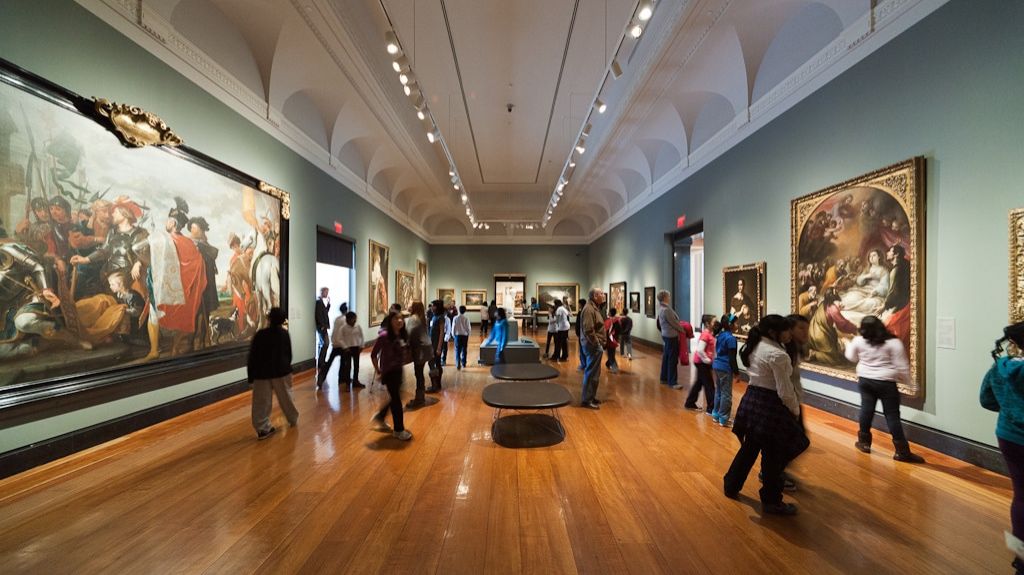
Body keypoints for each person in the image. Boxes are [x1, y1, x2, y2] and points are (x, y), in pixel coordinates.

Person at [723, 315, 808, 515]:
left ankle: (731, 484)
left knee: (749, 448)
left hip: (752, 400)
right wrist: (794, 410)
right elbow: (785, 391)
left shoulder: (757, 344)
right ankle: (771, 501)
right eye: (787, 330)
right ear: (774, 332)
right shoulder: (778, 354)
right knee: (773, 456)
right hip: (770, 406)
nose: (790, 333)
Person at [845, 315, 924, 463]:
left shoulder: (858, 341)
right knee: (892, 415)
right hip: (886, 383)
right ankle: (902, 451)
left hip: (865, 380)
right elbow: (902, 367)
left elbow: (851, 357)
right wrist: (911, 386)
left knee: (866, 410)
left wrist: (847, 344)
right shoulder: (893, 343)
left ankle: (864, 443)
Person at [981, 321, 1024, 575]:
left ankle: (1021, 559)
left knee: (1021, 495)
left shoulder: (1000, 369)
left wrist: (1010, 410)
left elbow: (986, 399)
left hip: (1008, 436)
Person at [247, 307, 298, 440]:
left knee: (261, 402)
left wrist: (251, 376)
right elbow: (289, 354)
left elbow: (252, 356)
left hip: (261, 373)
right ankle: (292, 418)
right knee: (286, 397)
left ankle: (263, 429)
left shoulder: (260, 334)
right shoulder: (284, 334)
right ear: (283, 320)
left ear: (269, 319)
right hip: (281, 371)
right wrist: (287, 367)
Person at [370, 311, 413, 441]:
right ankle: (398, 430)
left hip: (398, 370)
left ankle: (381, 416)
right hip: (388, 372)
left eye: (401, 318)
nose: (399, 320)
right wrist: (378, 370)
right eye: (396, 318)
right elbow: (373, 354)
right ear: (390, 321)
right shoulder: (384, 336)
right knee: (396, 400)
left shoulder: (401, 335)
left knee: (395, 397)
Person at [579, 288, 607, 409]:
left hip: (594, 345)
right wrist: (597, 344)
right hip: (592, 346)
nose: (603, 295)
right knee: (591, 373)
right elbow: (588, 330)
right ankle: (587, 400)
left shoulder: (594, 307)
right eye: (601, 293)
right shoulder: (589, 309)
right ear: (595, 296)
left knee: (595, 373)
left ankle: (591, 396)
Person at [685, 314, 718, 413]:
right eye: (714, 322)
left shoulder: (709, 334)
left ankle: (690, 402)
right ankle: (711, 408)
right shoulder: (705, 335)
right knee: (709, 385)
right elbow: (700, 350)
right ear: (708, 324)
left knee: (699, 383)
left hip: (702, 362)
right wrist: (707, 360)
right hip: (702, 363)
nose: (715, 324)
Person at [712, 314, 740, 427]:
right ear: (730, 325)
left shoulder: (721, 335)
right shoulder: (731, 339)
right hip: (725, 368)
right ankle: (723, 419)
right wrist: (737, 373)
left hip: (717, 366)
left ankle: (716, 414)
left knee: (719, 391)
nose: (738, 325)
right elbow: (732, 359)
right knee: (726, 394)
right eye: (736, 323)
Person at [657, 290, 686, 388]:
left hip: (666, 335)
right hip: (671, 336)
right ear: (665, 297)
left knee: (666, 357)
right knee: (672, 359)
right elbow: (674, 323)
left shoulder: (661, 308)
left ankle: (664, 378)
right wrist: (684, 330)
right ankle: (672, 382)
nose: (669, 298)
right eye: (668, 296)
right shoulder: (666, 310)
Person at [405, 302, 431, 408]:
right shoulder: (420, 318)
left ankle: (419, 399)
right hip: (425, 349)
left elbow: (410, 335)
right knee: (419, 374)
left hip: (420, 350)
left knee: (418, 374)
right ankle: (420, 396)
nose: (408, 306)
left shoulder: (413, 319)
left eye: (411, 304)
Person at [335, 311, 365, 390]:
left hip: (356, 348)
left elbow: (361, 336)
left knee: (356, 365)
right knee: (347, 366)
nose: (354, 321)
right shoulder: (343, 328)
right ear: (347, 320)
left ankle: (356, 381)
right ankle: (347, 383)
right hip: (347, 349)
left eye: (355, 319)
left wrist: (362, 345)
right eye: (352, 319)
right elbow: (339, 338)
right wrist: (345, 347)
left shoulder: (358, 326)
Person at [427, 300, 446, 392]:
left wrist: (439, 347)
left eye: (433, 306)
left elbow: (442, 332)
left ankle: (435, 385)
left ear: (437, 307)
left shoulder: (440, 317)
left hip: (436, 344)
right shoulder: (434, 316)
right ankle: (437, 384)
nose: (432, 307)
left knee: (433, 363)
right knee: (435, 363)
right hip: (432, 342)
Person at [314, 287, 331, 385]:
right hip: (322, 327)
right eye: (326, 291)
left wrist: (328, 304)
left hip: (323, 327)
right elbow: (319, 315)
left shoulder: (321, 302)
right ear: (322, 292)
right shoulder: (318, 302)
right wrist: (322, 326)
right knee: (325, 343)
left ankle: (321, 361)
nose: (327, 293)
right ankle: (321, 362)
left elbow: (325, 312)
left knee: (323, 343)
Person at [452, 305, 471, 369]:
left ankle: (458, 364)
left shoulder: (455, 318)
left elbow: (453, 327)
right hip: (465, 336)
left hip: (457, 336)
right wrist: (468, 334)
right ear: (465, 311)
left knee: (457, 350)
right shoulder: (466, 318)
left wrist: (453, 335)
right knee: (464, 350)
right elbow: (468, 328)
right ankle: (463, 363)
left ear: (458, 310)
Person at [604, 308, 621, 373]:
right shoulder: (618, 320)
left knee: (610, 354)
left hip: (609, 340)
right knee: (612, 353)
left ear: (610, 313)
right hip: (614, 340)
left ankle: (615, 368)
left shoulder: (608, 321)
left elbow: (605, 331)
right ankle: (608, 363)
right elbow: (619, 330)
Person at [576, 298, 588, 371]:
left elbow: (578, 324)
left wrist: (578, 333)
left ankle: (583, 365)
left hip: (582, 334)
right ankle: (585, 364)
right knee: (585, 349)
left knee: (583, 349)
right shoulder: (586, 312)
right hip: (584, 333)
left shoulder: (581, 312)